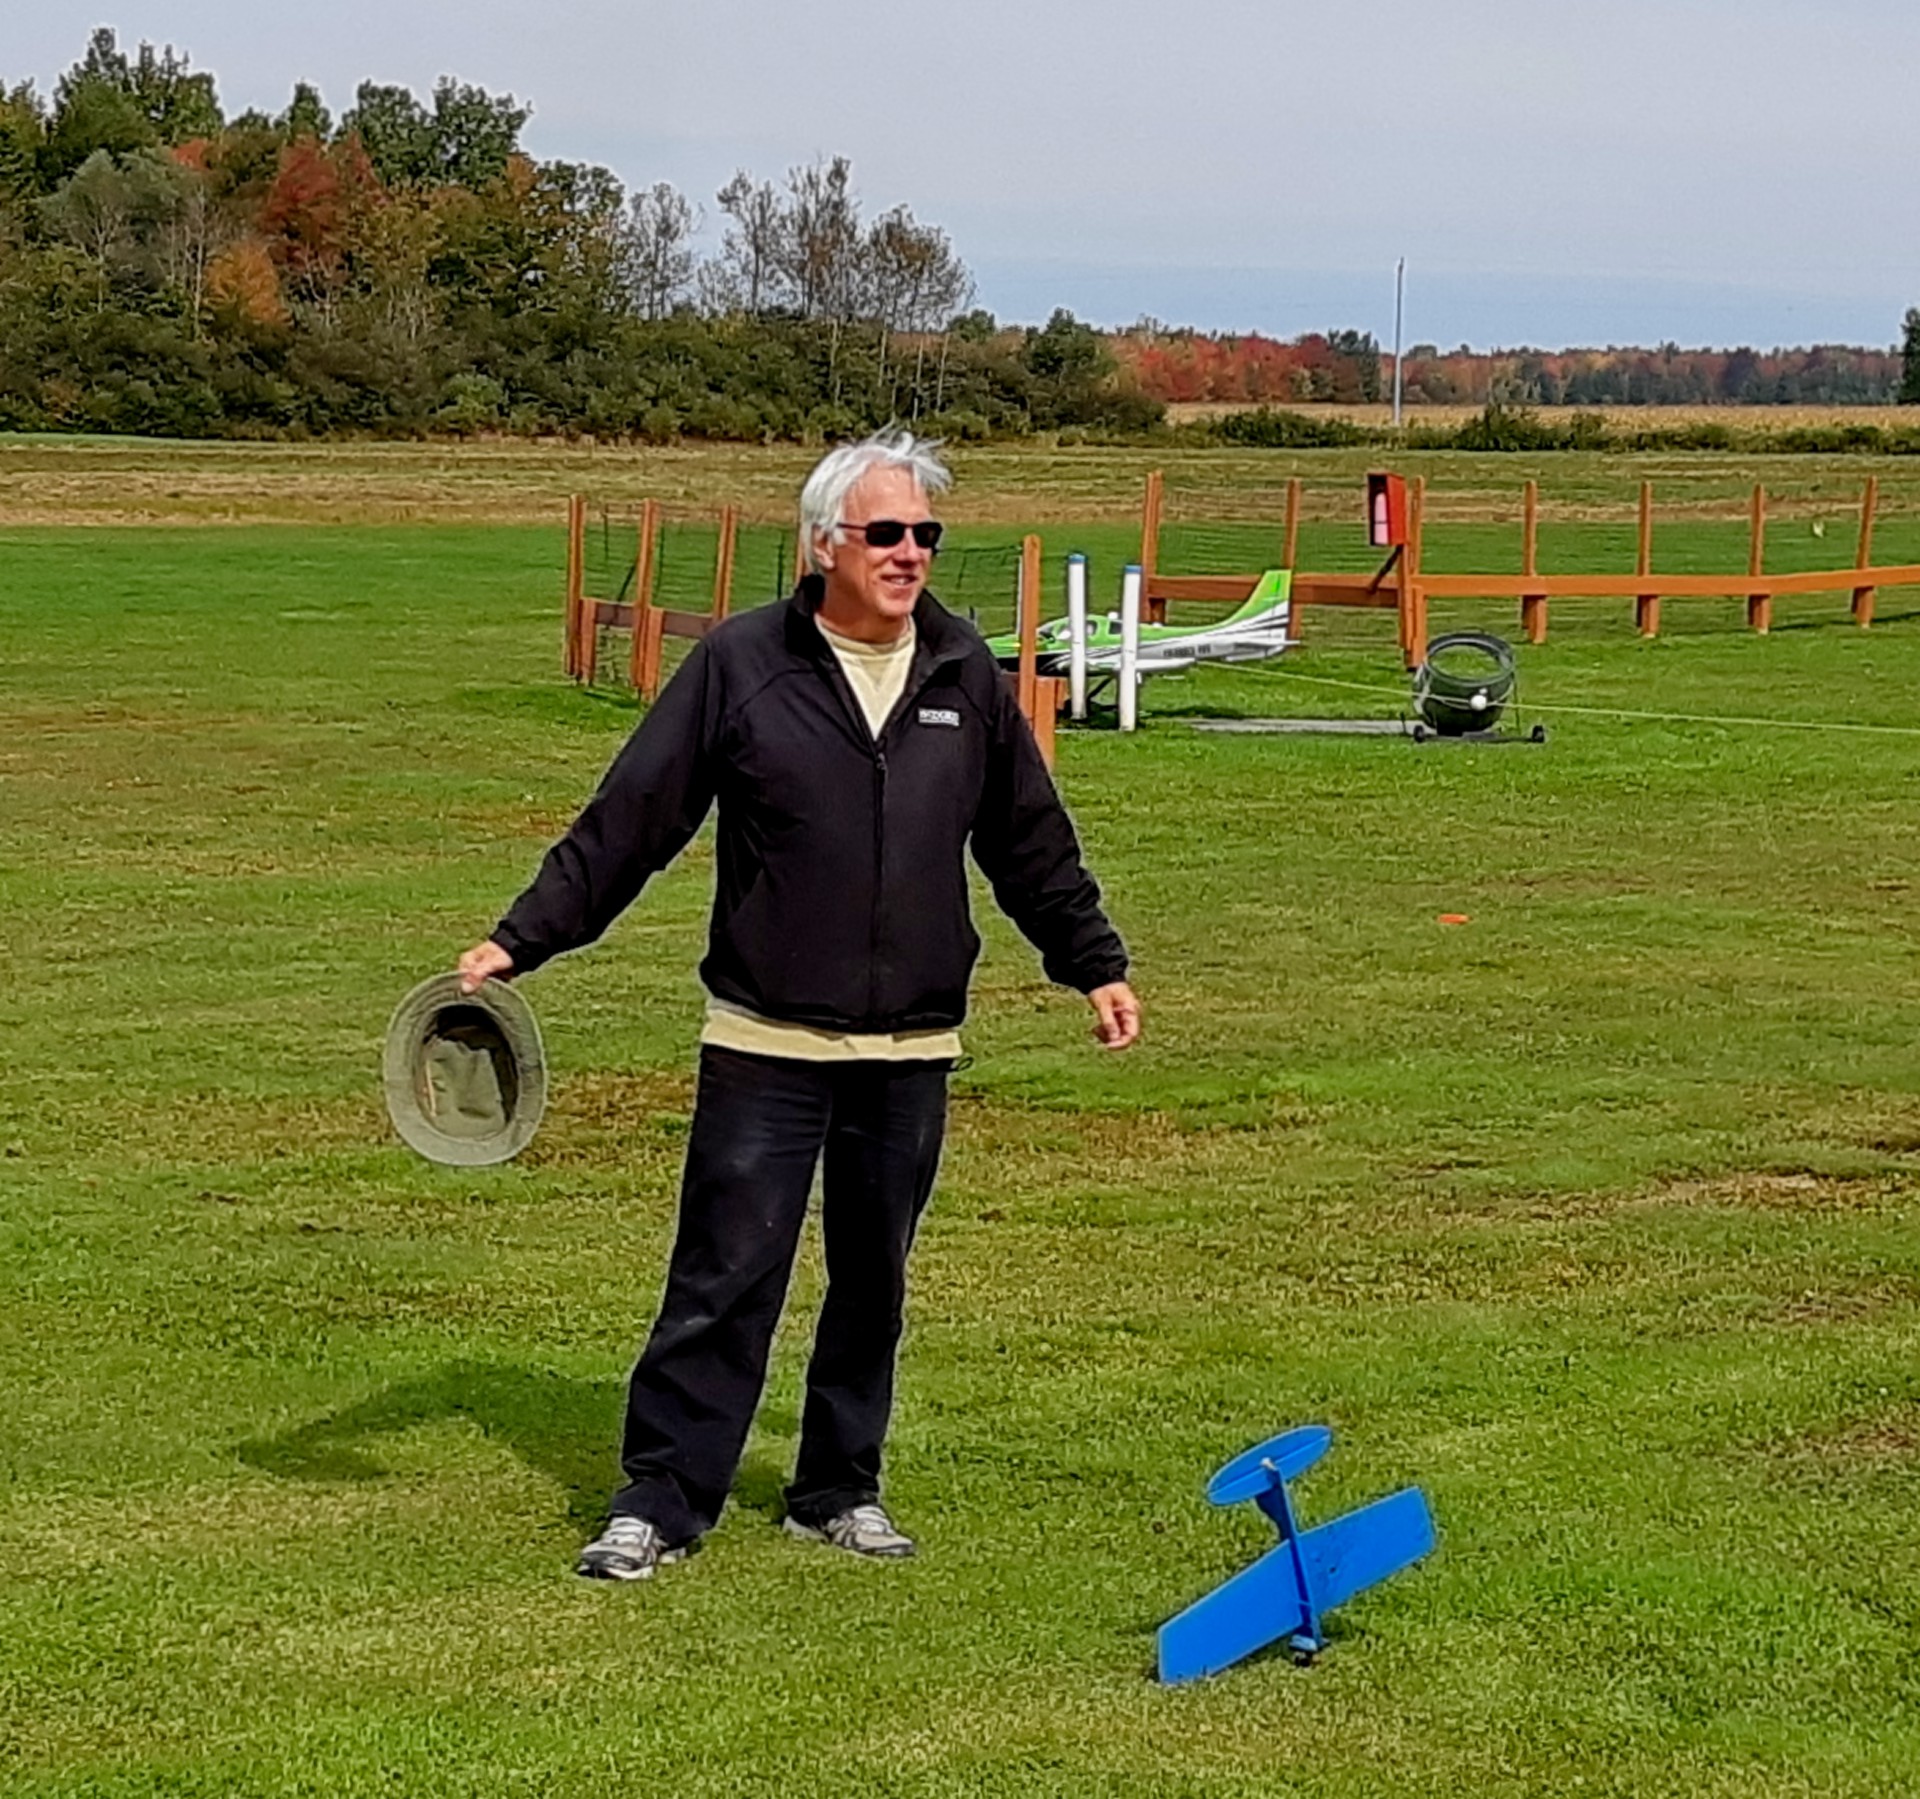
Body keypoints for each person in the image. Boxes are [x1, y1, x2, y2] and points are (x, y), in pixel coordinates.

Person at [457, 430, 1140, 1581]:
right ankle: (662, 1497)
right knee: (724, 1275)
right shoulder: (743, 663)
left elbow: (1031, 841)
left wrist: (1094, 960)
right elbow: (634, 816)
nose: (911, 552)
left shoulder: (963, 673)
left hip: (911, 1042)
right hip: (765, 1037)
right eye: (888, 532)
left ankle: (838, 1488)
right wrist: (525, 935)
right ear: (825, 543)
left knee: (874, 1281)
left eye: (926, 533)